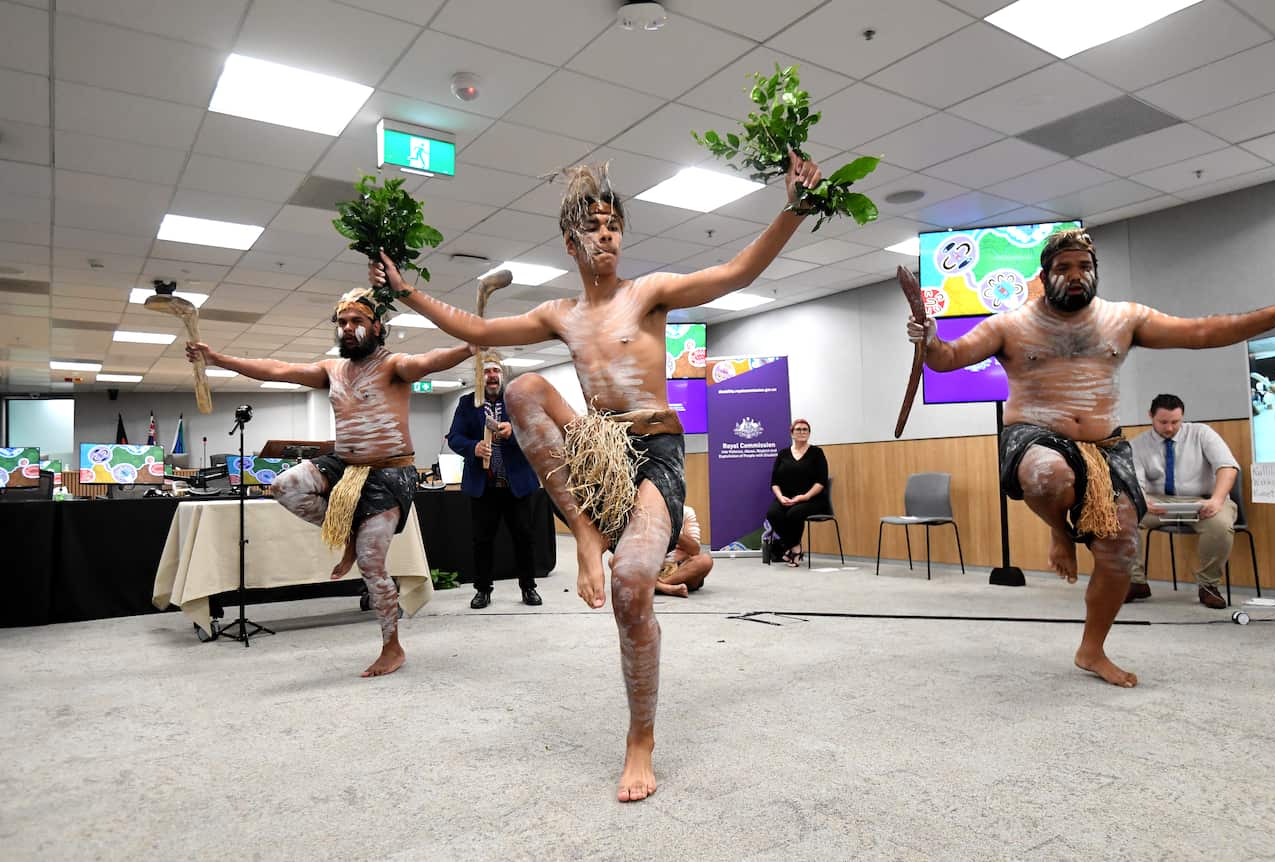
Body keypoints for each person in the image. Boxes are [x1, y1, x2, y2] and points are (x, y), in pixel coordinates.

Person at [370, 152, 823, 801]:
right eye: (595, 225)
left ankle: (641, 739)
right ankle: (581, 531)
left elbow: (735, 272)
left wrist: (794, 207)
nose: (607, 234)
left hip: (657, 451)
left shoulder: (650, 294)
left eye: (614, 224)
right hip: (601, 447)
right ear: (571, 241)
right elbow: (477, 329)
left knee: (633, 582)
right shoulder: (562, 314)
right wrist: (405, 290)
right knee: (524, 388)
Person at [906, 228, 1275, 688]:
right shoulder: (1010, 324)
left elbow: (1202, 332)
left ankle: (1092, 650)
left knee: (1120, 550)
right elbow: (948, 359)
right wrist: (930, 340)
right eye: (1064, 267)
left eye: (1084, 266)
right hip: (1034, 435)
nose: (1076, 275)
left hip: (1104, 447)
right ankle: (1059, 533)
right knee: (1050, 477)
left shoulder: (1124, 318)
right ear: (1045, 275)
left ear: (1095, 270)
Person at [185, 288, 472, 677]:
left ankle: (392, 647)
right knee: (284, 486)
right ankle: (349, 532)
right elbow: (277, 369)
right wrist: (217, 358)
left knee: (373, 564)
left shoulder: (394, 366)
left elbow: (429, 361)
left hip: (389, 471)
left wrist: (472, 345)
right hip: (344, 462)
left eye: (357, 322)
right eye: (342, 322)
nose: (348, 328)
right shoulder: (332, 370)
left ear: (376, 327)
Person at [446, 354, 542, 609]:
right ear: (480, 377)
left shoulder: (517, 402)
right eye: (486, 371)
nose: (492, 376)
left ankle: (528, 587)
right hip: (483, 486)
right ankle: (482, 590)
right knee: (482, 541)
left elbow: (535, 434)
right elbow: (454, 437)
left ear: (502, 375)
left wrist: (514, 433)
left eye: (496, 371)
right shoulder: (467, 404)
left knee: (524, 538)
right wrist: (473, 447)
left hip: (516, 486)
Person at [1126, 394, 1239, 609]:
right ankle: (1135, 581)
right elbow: (1136, 482)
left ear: (1183, 417)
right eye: (1163, 422)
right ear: (1151, 416)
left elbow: (1227, 467)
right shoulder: (1137, 444)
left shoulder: (1202, 434)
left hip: (1204, 500)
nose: (1169, 428)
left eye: (1175, 422)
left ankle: (1208, 586)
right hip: (1158, 502)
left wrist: (1217, 500)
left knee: (1221, 525)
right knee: (1123, 517)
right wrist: (1143, 500)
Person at [765, 418, 829, 566]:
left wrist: (805, 496)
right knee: (773, 514)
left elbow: (821, 482)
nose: (802, 432)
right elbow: (774, 482)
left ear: (809, 433)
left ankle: (793, 551)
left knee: (794, 513)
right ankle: (795, 547)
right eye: (798, 429)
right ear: (792, 433)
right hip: (785, 497)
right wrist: (780, 497)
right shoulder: (783, 454)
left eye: (805, 429)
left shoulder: (817, 453)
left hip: (812, 499)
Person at [656, 505, 713, 597]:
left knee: (705, 560)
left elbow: (695, 550)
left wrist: (673, 532)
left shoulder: (686, 511)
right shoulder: (642, 510)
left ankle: (662, 584)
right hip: (650, 569)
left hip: (678, 571)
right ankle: (667, 588)